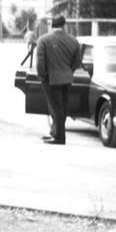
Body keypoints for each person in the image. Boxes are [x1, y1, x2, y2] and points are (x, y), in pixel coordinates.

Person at [35, 15, 83, 145]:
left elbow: (40, 62)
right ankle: (54, 132)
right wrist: (69, 71)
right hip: (67, 78)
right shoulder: (73, 40)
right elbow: (77, 60)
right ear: (64, 25)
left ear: (51, 25)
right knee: (62, 107)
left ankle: (59, 137)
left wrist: (42, 75)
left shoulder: (43, 40)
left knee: (55, 108)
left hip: (51, 79)